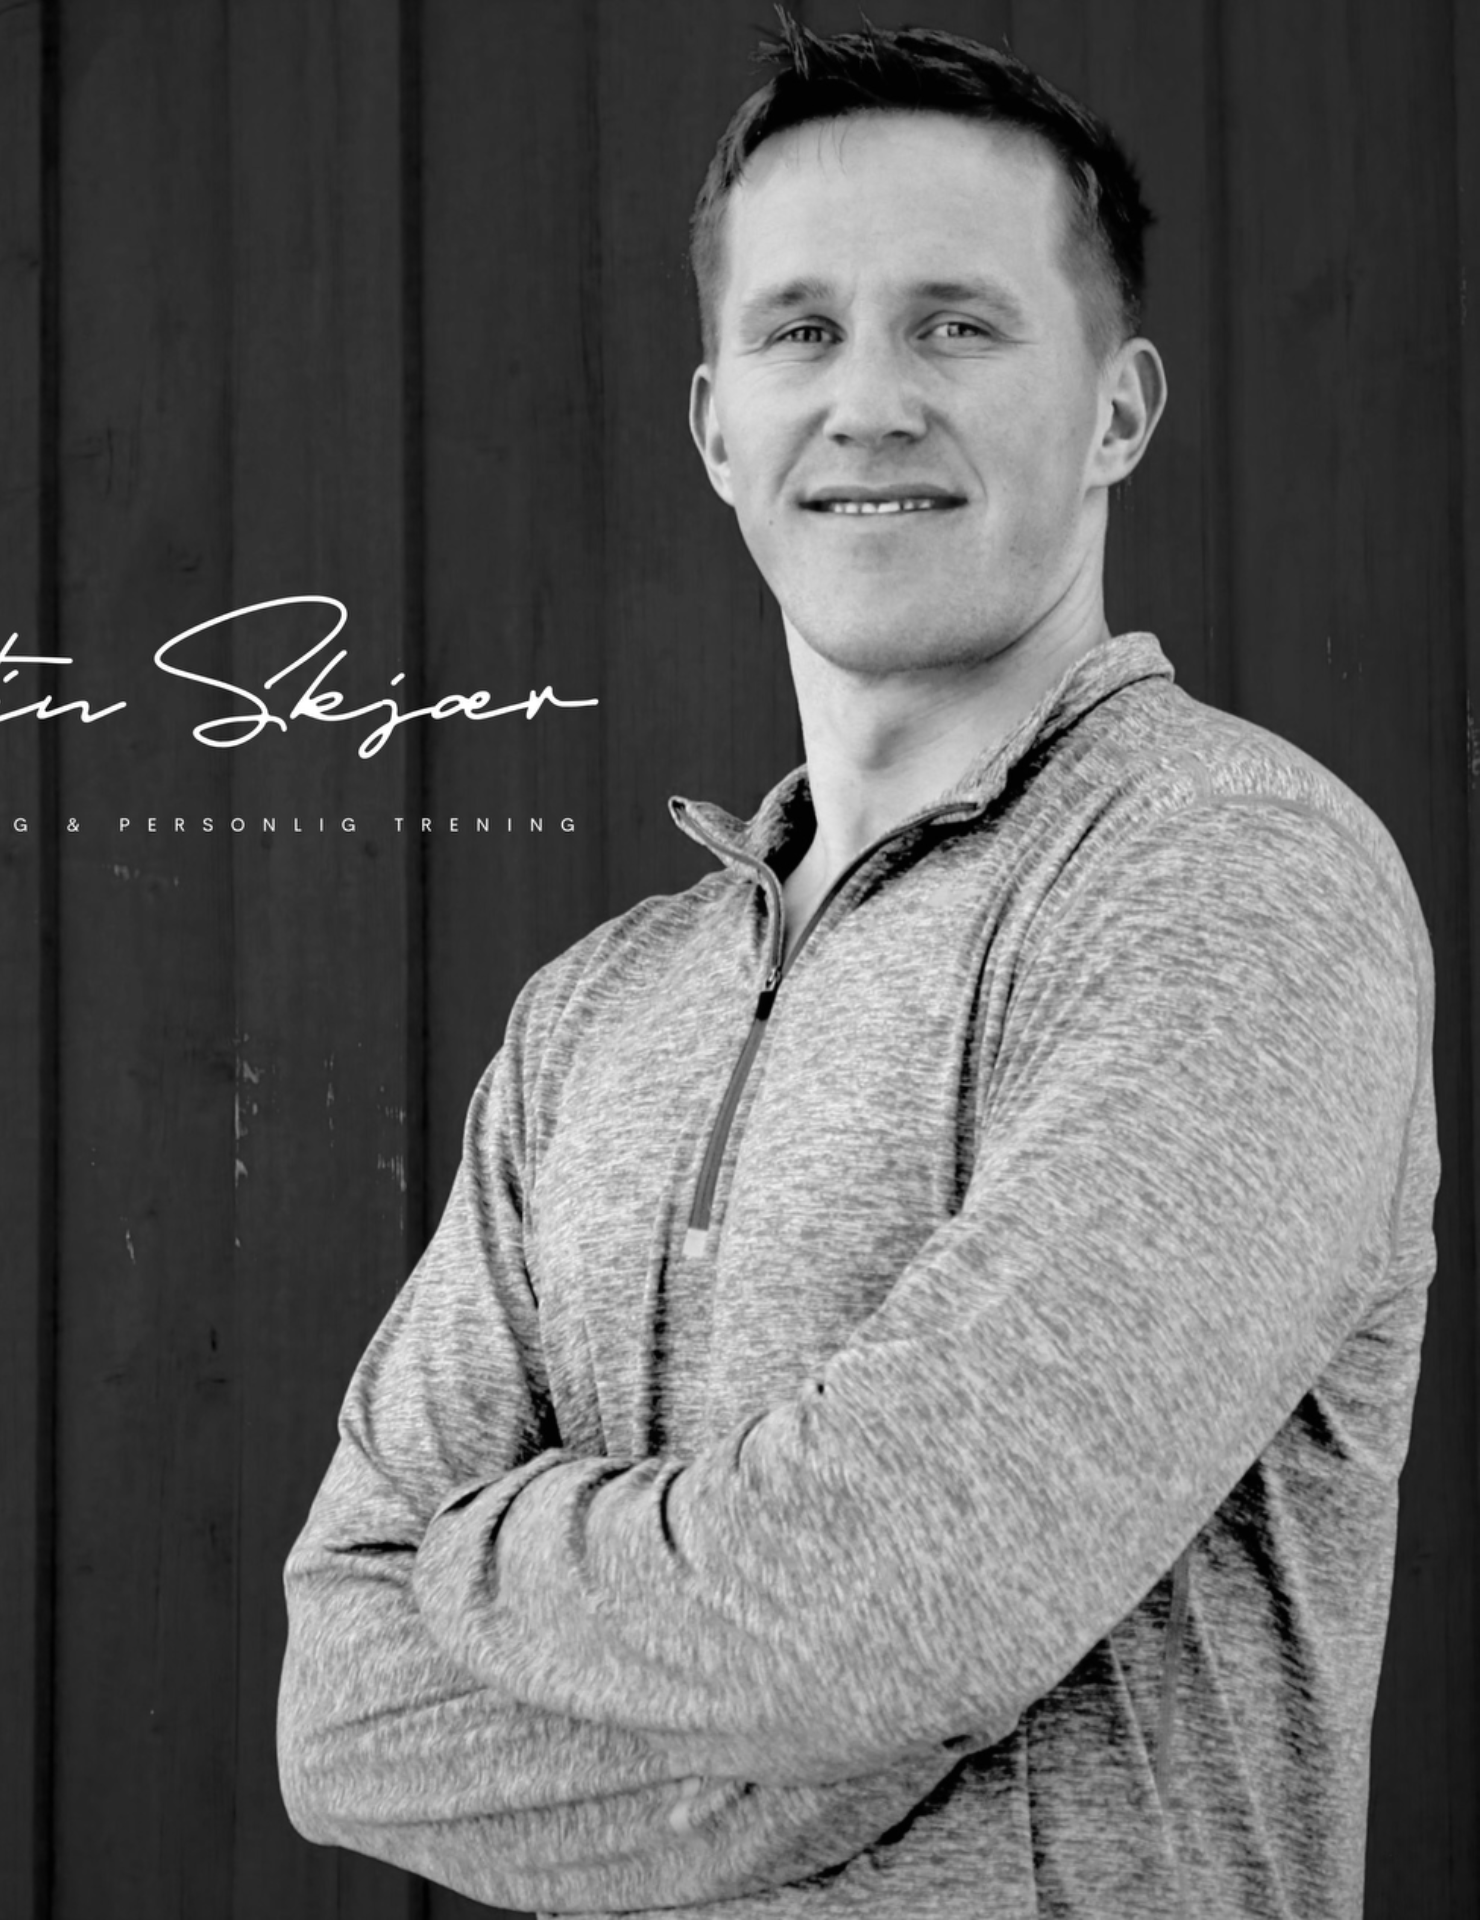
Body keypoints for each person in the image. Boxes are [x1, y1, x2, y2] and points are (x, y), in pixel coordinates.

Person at [275, 15, 1440, 1918]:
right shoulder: (595, 1015)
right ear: (715, 425)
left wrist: (475, 1564)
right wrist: (808, 1671)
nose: (870, 401)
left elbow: (900, 1612)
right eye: (801, 331)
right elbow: (342, 1706)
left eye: (957, 326)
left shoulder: (1230, 875)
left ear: (1121, 409)